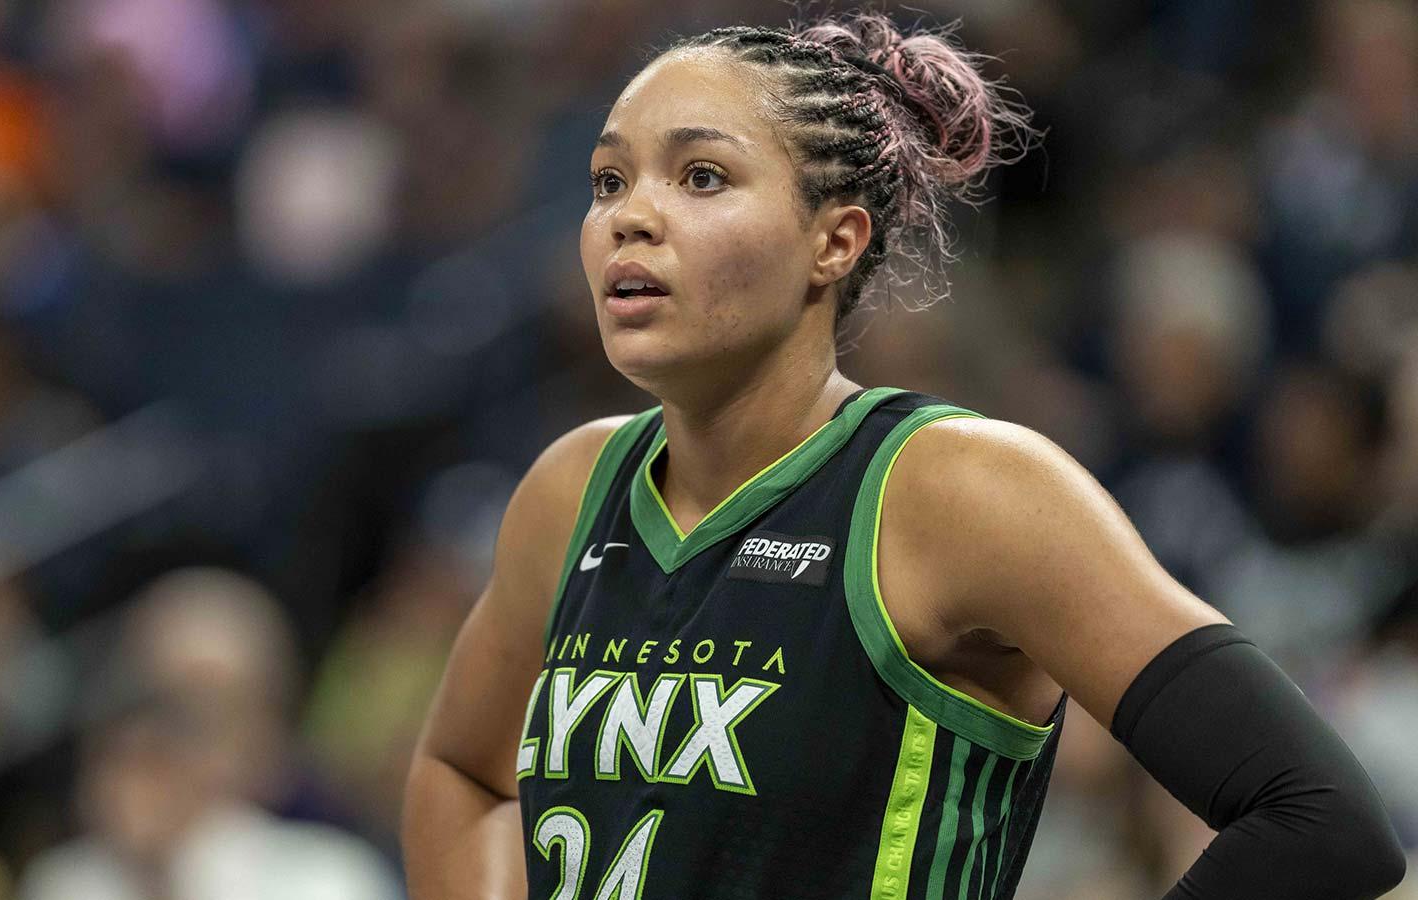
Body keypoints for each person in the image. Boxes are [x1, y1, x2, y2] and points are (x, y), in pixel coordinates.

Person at [401, 11, 1407, 900]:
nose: (629, 213)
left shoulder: (960, 489)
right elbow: (461, 769)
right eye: (608, 179)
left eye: (700, 175)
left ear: (833, 241)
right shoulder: (572, 489)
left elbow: (1319, 818)